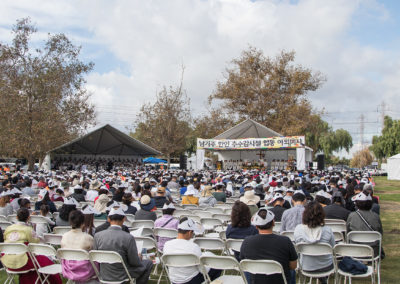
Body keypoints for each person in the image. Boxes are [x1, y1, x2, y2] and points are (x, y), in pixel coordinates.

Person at [93, 207, 153, 284]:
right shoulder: (128, 237)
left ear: (108, 219)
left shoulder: (97, 236)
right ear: (124, 219)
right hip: (123, 275)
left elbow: (96, 258)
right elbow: (134, 262)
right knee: (148, 263)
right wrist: (138, 257)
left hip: (104, 274)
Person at [3, 208, 62, 284]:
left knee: (36, 260)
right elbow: (36, 242)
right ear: (28, 218)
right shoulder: (28, 230)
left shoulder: (8, 228)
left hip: (7, 262)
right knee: (45, 261)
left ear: (16, 217)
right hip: (22, 262)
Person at [240, 209, 297, 284]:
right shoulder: (285, 241)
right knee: (292, 272)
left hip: (255, 280)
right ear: (273, 223)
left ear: (256, 226)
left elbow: (244, 263)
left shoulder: (246, 241)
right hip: (281, 280)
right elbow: (293, 266)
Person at [163, 217, 221, 284]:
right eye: (193, 233)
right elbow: (203, 270)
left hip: (174, 280)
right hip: (190, 281)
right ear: (190, 232)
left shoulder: (167, 245)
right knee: (217, 267)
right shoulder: (193, 247)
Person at [294, 201, 335, 284]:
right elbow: (333, 248)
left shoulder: (298, 229)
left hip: (306, 266)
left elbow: (298, 247)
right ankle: (322, 279)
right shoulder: (327, 230)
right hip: (326, 266)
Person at [61, 210, 98, 283]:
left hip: (68, 269)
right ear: (83, 223)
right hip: (84, 271)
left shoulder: (64, 236)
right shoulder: (88, 238)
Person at [347, 191, 383, 257]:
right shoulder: (376, 216)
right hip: (373, 250)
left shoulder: (352, 216)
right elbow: (380, 234)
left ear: (357, 204)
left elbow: (347, 232)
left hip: (355, 249)